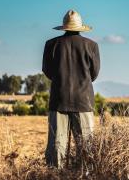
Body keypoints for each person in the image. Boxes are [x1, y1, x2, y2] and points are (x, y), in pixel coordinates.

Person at [42, 9, 100, 169]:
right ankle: (86, 176)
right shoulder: (91, 46)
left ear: (64, 27)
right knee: (86, 147)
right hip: (84, 101)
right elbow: (94, 74)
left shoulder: (51, 45)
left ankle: (54, 176)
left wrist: (61, 81)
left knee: (56, 147)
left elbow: (47, 71)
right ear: (80, 27)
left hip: (58, 100)